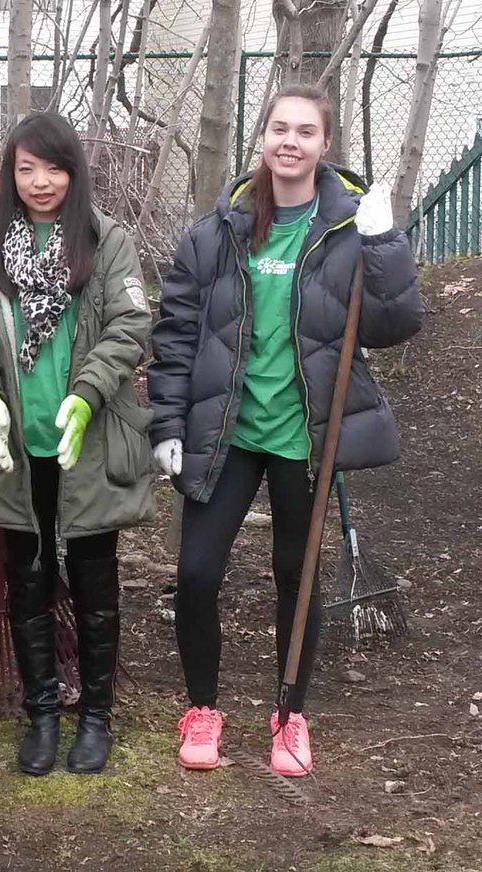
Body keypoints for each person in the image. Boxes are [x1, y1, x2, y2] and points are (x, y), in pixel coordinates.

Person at [148, 84, 422, 778]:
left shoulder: (348, 228)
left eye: (305, 131)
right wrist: (168, 423)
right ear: (262, 138)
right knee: (196, 572)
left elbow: (395, 326)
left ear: (325, 144)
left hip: (307, 436)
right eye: (279, 128)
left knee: (296, 578)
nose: (290, 142)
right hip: (226, 432)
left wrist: (385, 241)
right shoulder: (218, 231)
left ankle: (289, 715)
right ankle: (203, 708)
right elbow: (177, 334)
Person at [0, 112, 155, 776]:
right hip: (17, 444)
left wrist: (87, 392)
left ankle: (95, 718)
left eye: (55, 167)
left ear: (75, 171)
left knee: (95, 581)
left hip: (86, 439)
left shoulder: (106, 241)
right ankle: (40, 714)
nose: (41, 182)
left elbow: (129, 327)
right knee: (27, 579)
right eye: (27, 168)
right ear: (10, 174)